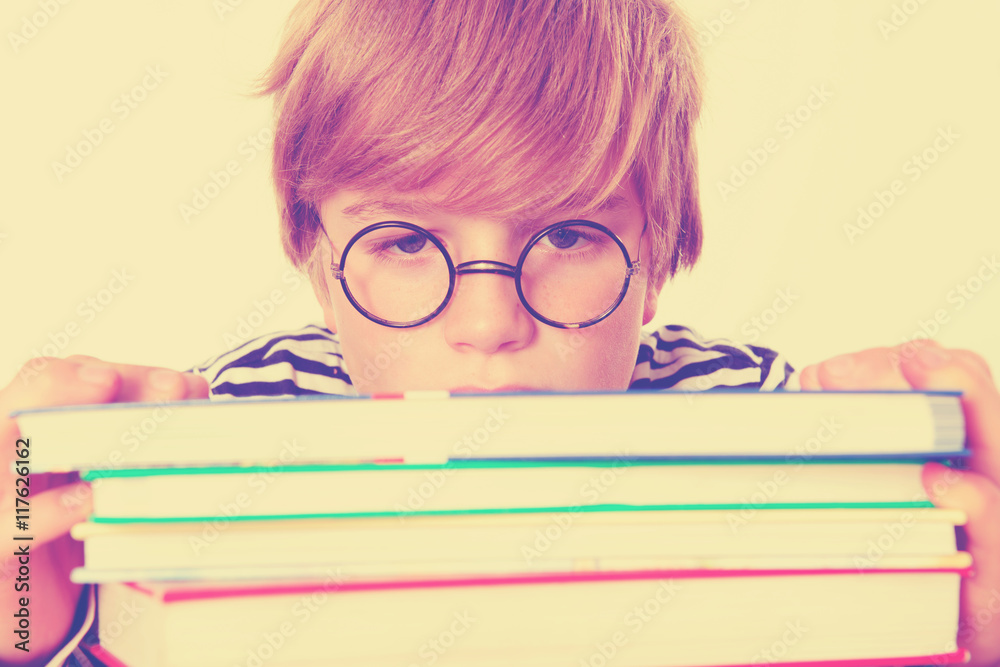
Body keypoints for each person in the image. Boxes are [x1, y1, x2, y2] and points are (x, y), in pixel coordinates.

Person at [2, 0, 998, 665]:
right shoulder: (236, 425)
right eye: (400, 241)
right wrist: (21, 609)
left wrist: (976, 626)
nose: (487, 324)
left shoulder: (760, 427)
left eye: (568, 235)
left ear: (655, 256)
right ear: (315, 257)